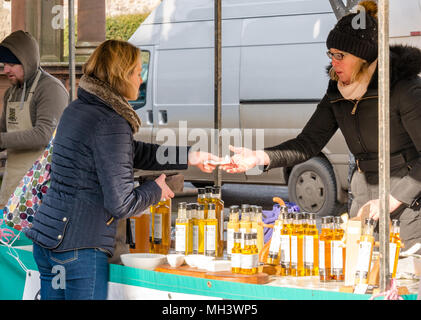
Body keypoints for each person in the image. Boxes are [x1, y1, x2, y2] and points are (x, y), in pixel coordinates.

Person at [25, 39, 218, 300]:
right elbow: (122, 204)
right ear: (122, 75)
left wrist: (189, 156)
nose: (141, 79)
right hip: (80, 246)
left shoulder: (79, 108)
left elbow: (129, 150)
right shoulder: (111, 121)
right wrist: (157, 189)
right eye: (138, 71)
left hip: (49, 240)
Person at [222, 1, 421, 253]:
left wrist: (391, 200)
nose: (334, 63)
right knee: (360, 271)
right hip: (363, 195)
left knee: (401, 279)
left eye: (341, 55)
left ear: (362, 57)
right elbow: (308, 143)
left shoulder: (403, 88)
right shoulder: (337, 92)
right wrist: (260, 157)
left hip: (406, 201)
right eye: (331, 54)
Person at [0, 30, 69, 206]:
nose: (5, 69)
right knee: (7, 233)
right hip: (13, 180)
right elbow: (3, 130)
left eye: (11, 64)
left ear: (26, 61)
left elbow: (44, 135)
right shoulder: (11, 92)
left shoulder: (50, 89)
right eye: (4, 63)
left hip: (40, 185)